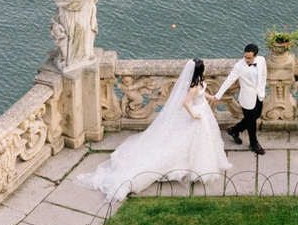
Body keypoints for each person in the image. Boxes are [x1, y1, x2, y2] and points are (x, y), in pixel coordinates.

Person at [79, 59, 228, 201]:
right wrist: (193, 114)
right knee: (188, 141)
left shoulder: (200, 83)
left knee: (200, 142)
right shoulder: (193, 87)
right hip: (197, 115)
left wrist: (211, 96)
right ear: (200, 70)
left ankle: (192, 167)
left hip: (203, 111)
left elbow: (202, 92)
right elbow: (185, 102)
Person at [212, 42, 267, 154]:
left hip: (259, 95)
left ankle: (234, 130)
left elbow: (264, 74)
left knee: (256, 116)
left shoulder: (261, 60)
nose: (246, 60)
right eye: (245, 57)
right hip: (247, 97)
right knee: (251, 123)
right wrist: (218, 95)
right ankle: (254, 143)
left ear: (255, 56)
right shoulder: (239, 66)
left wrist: (262, 89)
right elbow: (229, 80)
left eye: (249, 58)